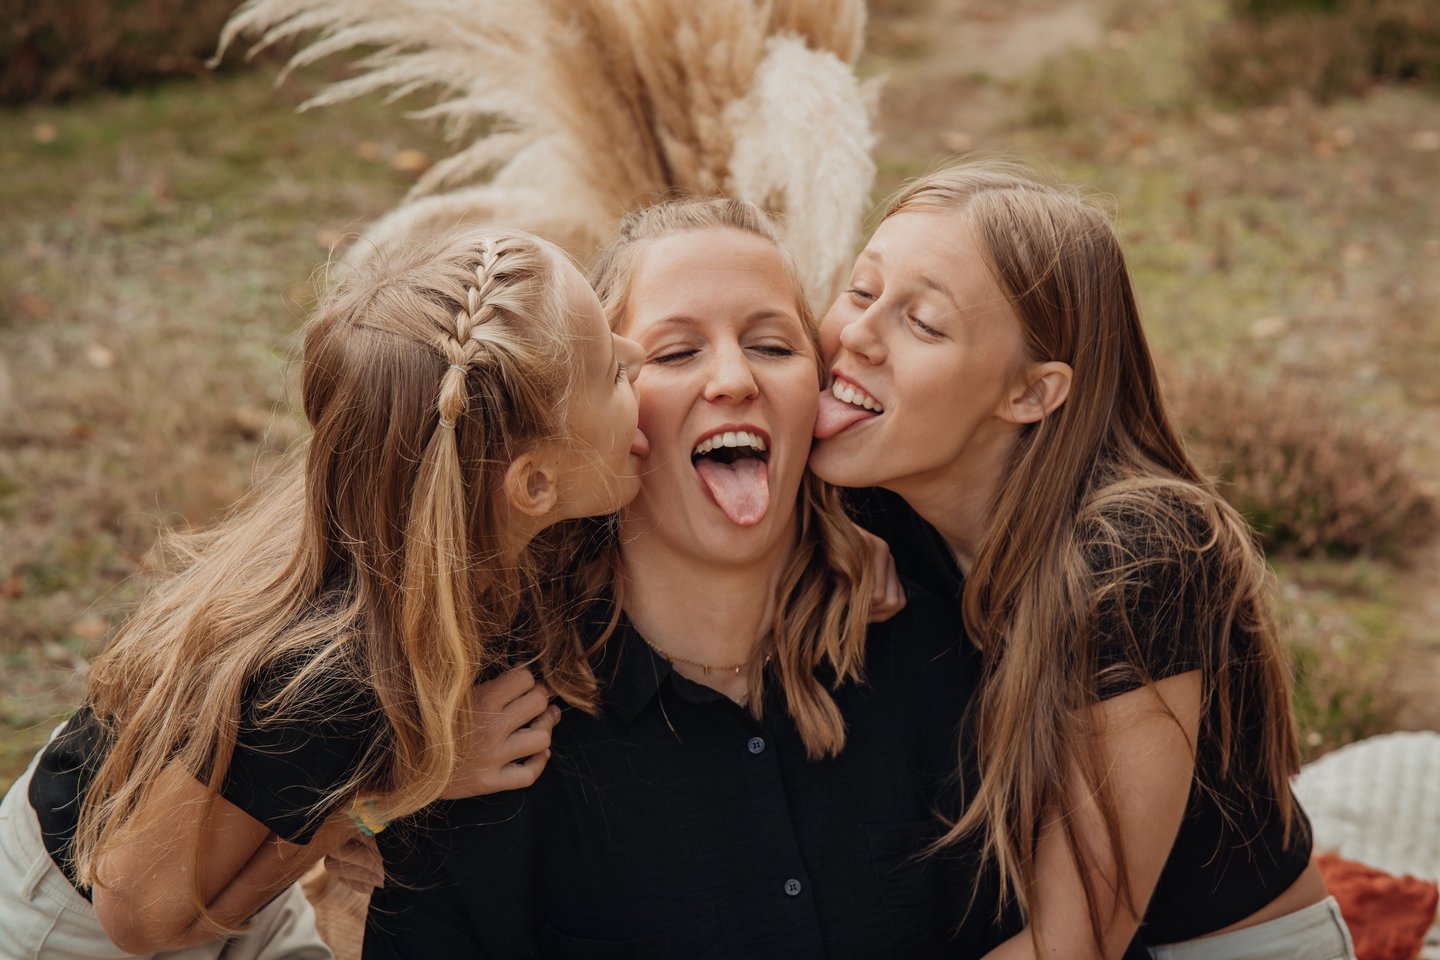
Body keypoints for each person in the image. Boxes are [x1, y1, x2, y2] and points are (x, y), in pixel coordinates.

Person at [361, 198, 1013, 959]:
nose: (733, 379)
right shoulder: (490, 734)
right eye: (674, 355)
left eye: (771, 345)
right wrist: (375, 806)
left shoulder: (943, 643)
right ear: (598, 411)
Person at [0, 227, 648, 959]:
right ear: (532, 484)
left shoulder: (407, 513)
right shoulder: (330, 678)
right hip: (80, 918)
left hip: (225, 875)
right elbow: (139, 918)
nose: (637, 354)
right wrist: (391, 794)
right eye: (611, 372)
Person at [809, 162, 1355, 959]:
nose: (857, 334)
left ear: (1032, 394)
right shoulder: (880, 498)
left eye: (922, 323)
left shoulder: (1141, 553)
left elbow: (1078, 942)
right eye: (861, 291)